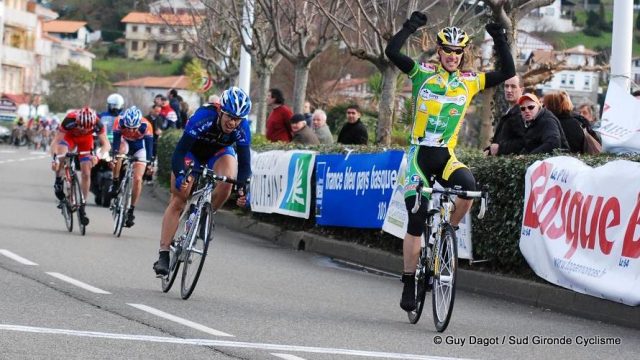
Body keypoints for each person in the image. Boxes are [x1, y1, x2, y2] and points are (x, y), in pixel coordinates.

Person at [385, 12, 515, 312]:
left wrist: (500, 38)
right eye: (448, 50)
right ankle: (409, 280)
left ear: (464, 53)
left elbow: (507, 71)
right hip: (419, 155)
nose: (453, 56)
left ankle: (448, 234)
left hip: (445, 156)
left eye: (459, 52)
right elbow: (391, 53)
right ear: (439, 51)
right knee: (416, 219)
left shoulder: (470, 82)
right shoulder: (422, 74)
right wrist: (410, 28)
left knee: (468, 189)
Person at [153, 87, 252, 276]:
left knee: (227, 183)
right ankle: (164, 253)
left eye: (238, 119)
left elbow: (245, 163)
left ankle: (206, 215)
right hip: (193, 152)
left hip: (219, 152)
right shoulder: (204, 116)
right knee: (180, 197)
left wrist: (242, 189)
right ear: (221, 111)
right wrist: (181, 173)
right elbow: (180, 152)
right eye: (230, 117)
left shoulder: (242, 127)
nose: (233, 123)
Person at [51, 107, 111, 225]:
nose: (84, 129)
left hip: (85, 141)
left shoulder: (97, 123)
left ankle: (82, 204)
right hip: (69, 138)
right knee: (63, 154)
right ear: (77, 122)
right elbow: (56, 141)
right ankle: (59, 180)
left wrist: (97, 156)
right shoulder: (69, 120)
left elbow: (106, 145)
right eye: (81, 126)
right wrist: (55, 159)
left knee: (86, 172)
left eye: (88, 127)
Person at [110, 106, 154, 227]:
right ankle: (115, 182)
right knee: (119, 154)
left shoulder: (146, 125)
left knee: (138, 178)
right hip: (125, 144)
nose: (131, 131)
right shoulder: (119, 121)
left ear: (139, 124)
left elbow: (150, 148)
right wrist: (114, 155)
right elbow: (116, 142)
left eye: (134, 128)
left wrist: (150, 162)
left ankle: (131, 210)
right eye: (128, 128)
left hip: (139, 148)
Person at [485, 75, 525, 155]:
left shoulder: (522, 113)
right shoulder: (510, 111)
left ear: (522, 89)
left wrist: (500, 148)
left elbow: (524, 141)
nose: (509, 90)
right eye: (506, 86)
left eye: (513, 87)